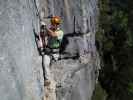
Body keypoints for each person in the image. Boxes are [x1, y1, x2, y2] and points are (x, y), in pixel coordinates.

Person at [38, 16, 64, 86]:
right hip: (48, 51)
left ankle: (50, 77)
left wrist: (46, 27)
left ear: (57, 25)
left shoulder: (60, 32)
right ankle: (47, 80)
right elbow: (43, 35)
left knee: (49, 66)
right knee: (45, 63)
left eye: (54, 24)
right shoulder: (50, 29)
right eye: (52, 23)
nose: (52, 25)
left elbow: (53, 35)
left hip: (54, 54)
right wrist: (42, 29)